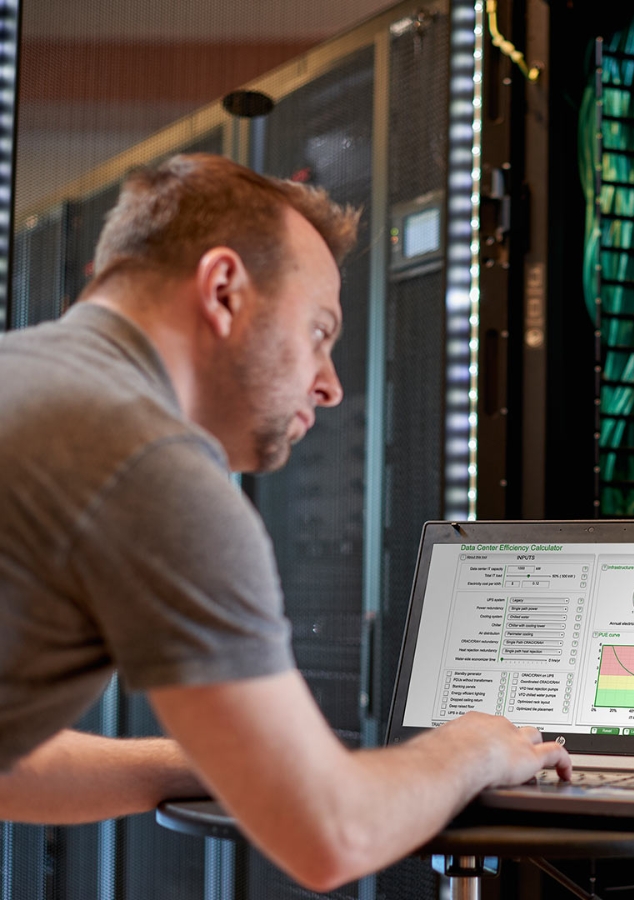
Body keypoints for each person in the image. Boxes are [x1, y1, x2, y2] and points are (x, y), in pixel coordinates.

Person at [0, 154, 570, 891]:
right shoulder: (150, 463)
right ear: (225, 290)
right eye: (319, 332)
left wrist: (225, 761)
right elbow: (331, 836)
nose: (330, 385)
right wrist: (477, 750)